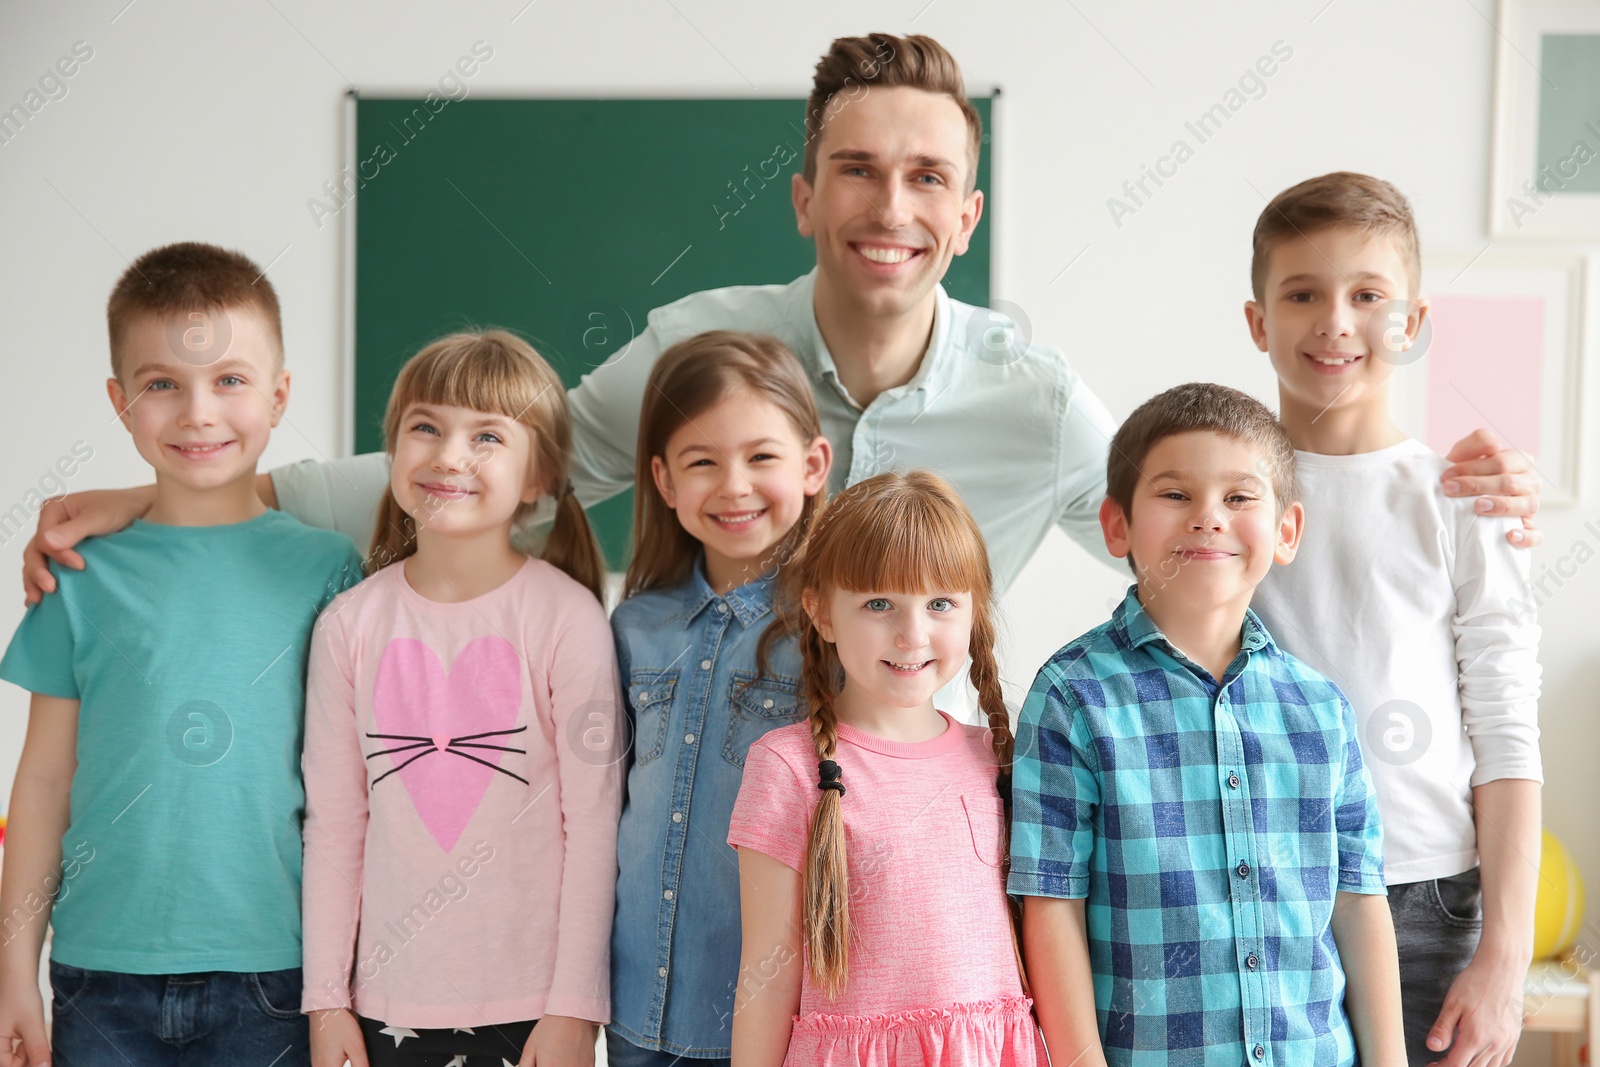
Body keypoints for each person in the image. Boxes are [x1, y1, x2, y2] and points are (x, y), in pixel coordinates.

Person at [19, 33, 1544, 615]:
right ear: (804, 196)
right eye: (861, 170)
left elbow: (1206, 535)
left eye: (929, 176)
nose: (894, 202)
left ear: (968, 213)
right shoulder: (703, 341)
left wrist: (1437, 486)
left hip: (917, 788)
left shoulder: (1031, 394)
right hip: (705, 761)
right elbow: (488, 464)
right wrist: (197, 499)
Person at [0, 242, 364, 1067]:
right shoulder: (80, 576)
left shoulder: (330, 568)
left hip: (277, 973)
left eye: (229, 380)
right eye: (162, 383)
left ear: (278, 397)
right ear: (121, 403)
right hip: (100, 974)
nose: (198, 412)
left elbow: (346, 791)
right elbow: (43, 779)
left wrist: (338, 984)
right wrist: (12, 969)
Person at [1011, 383, 1405, 1067]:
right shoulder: (1072, 698)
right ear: (1117, 526)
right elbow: (1050, 905)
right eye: (1174, 494)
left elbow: (1359, 900)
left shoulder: (1322, 710)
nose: (1208, 518)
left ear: (1286, 531)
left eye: (1240, 497)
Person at [1243, 173, 1541, 1067]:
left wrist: (1506, 955)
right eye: (1302, 294)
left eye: (1368, 295)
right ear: (1258, 321)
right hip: (1262, 884)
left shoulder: (1464, 498)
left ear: (1409, 324)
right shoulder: (1226, 497)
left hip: (1428, 897)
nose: (1336, 321)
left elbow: (1506, 729)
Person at [299, 331, 622, 1067]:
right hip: (381, 1008)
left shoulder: (567, 619)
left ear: (537, 474)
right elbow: (336, 822)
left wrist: (574, 1008)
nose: (448, 455)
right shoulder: (348, 625)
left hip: (531, 1012)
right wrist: (326, 1001)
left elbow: (594, 824)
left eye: (485, 435)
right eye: (425, 427)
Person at [728, 470, 1041, 1067]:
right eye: (878, 603)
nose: (912, 633)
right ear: (821, 612)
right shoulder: (787, 766)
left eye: (941, 603)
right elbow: (766, 967)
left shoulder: (1000, 758)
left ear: (974, 614)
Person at [606, 331, 831, 1067]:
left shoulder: (833, 631)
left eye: (761, 457)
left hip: (772, 1024)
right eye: (703, 462)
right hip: (635, 1012)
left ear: (812, 465)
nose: (734, 486)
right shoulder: (634, 625)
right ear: (665, 481)